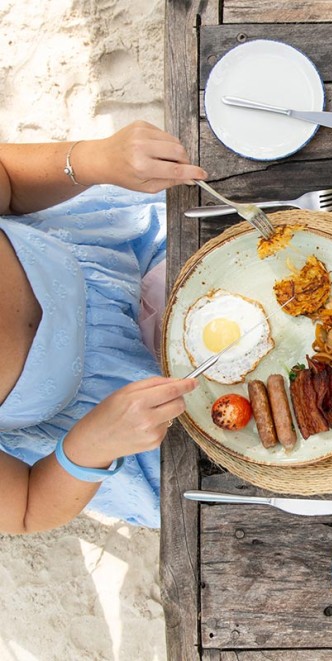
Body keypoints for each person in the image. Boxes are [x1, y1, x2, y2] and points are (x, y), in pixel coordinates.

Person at [0, 121, 208, 534]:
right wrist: (91, 447)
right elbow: (26, 509)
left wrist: (95, 158)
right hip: (121, 417)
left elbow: (7, 178)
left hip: (125, 249)